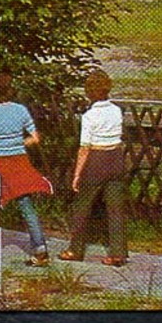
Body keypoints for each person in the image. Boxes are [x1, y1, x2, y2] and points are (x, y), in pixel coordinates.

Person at [0, 73, 53, 266]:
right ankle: (40, 250)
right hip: (20, 161)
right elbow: (35, 138)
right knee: (26, 205)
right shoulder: (21, 110)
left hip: (0, 164)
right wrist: (20, 143)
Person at [58, 68, 129, 267]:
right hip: (115, 158)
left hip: (97, 160)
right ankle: (118, 252)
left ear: (89, 92)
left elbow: (84, 148)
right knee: (115, 209)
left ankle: (75, 249)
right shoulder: (116, 110)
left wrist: (76, 175)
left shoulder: (89, 116)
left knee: (82, 206)